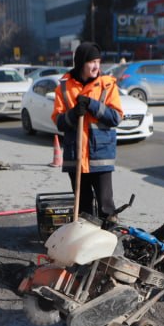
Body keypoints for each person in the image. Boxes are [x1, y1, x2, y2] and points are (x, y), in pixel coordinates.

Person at [53, 42, 123, 224]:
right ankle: (86, 236)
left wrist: (93, 105)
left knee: (106, 206)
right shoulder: (64, 87)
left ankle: (109, 236)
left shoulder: (107, 85)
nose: (96, 66)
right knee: (83, 206)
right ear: (80, 63)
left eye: (98, 62)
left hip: (100, 156)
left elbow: (116, 117)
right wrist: (74, 114)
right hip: (75, 157)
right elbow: (59, 122)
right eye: (91, 62)